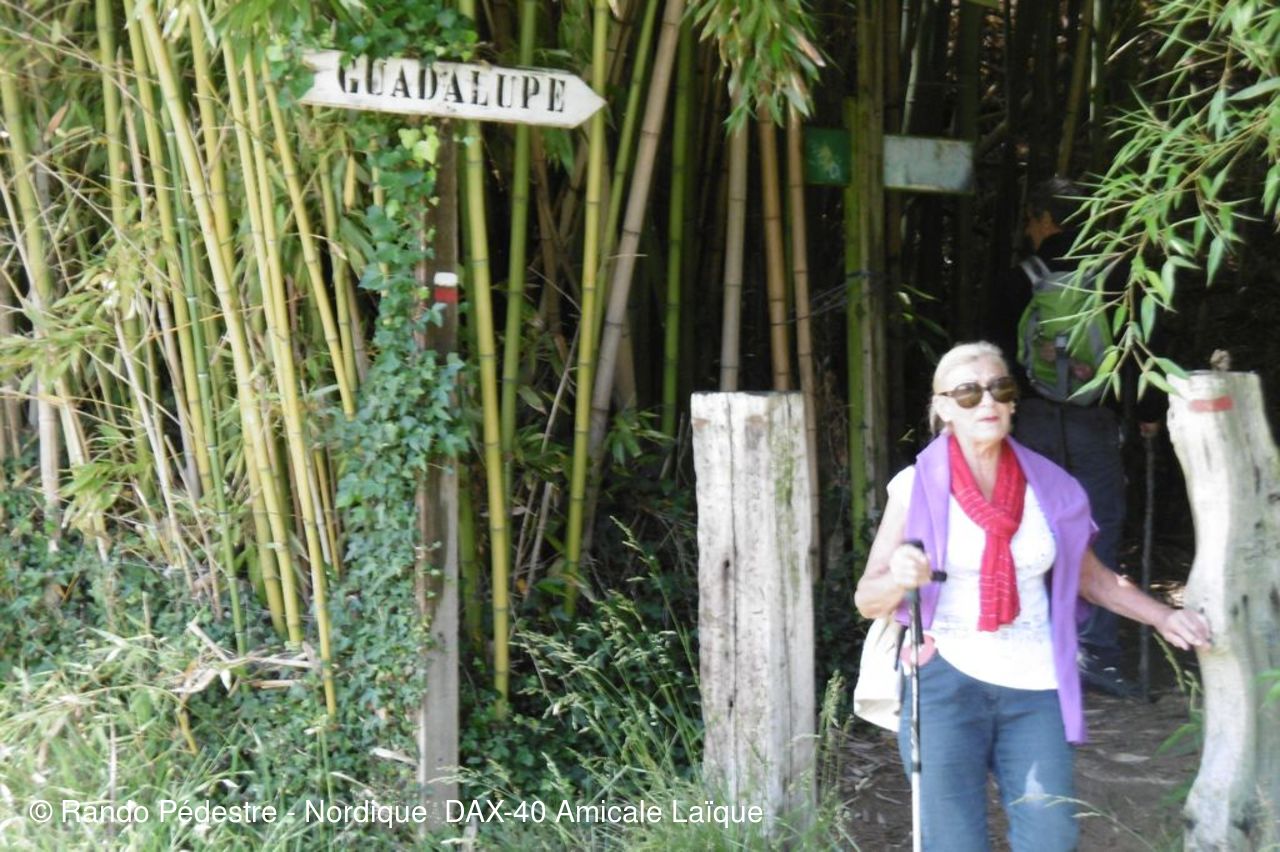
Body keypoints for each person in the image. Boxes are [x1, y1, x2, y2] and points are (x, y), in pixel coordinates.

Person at [854, 341, 1211, 852]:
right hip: (943, 682)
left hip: (1035, 684)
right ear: (943, 408)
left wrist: (1163, 617)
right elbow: (868, 599)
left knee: (1051, 835)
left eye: (1000, 388)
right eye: (968, 392)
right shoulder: (915, 488)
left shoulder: (1050, 488)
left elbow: (1093, 579)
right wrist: (900, 578)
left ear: (1014, 402)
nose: (987, 401)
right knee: (952, 841)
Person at [1002, 176, 1162, 698]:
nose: (1030, 230)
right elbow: (1143, 347)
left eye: (1032, 220)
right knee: (1099, 528)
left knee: (1028, 528)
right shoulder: (1117, 274)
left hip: (1033, 421)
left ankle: (1034, 642)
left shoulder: (1022, 278)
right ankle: (1096, 652)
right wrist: (1147, 412)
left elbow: (998, 352)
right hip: (1095, 418)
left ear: (1046, 219)